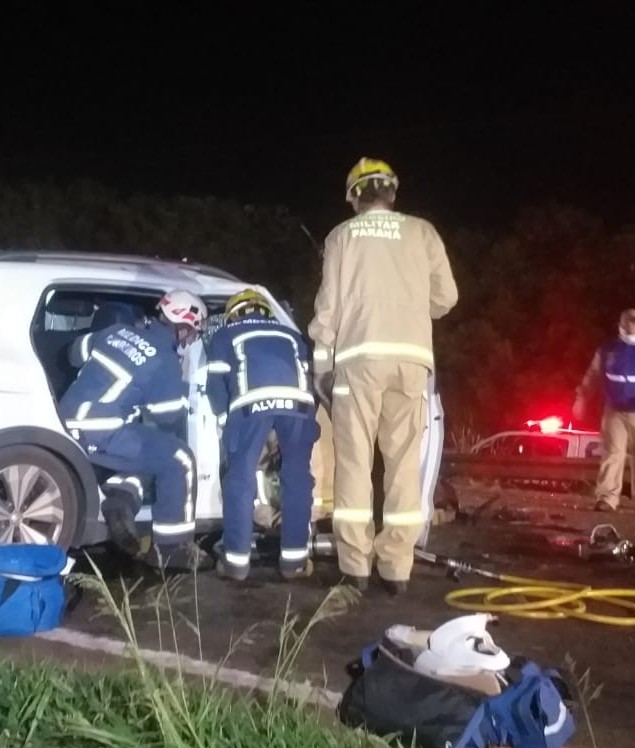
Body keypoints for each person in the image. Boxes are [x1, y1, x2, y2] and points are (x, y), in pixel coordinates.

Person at [308, 157, 458, 594]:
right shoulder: (422, 232)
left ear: (355, 196)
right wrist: (414, 311)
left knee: (353, 464)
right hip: (412, 361)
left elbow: (329, 306)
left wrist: (321, 360)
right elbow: (447, 296)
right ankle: (396, 569)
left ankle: (354, 567)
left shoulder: (342, 236)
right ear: (391, 193)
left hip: (358, 359)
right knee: (403, 466)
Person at [58, 289, 207, 571]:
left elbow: (74, 353)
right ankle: (172, 550)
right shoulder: (165, 361)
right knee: (179, 459)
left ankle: (121, 502)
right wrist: (180, 388)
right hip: (103, 432)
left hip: (66, 421)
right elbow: (167, 417)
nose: (190, 341)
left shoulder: (116, 331)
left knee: (149, 450)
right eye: (192, 334)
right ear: (183, 327)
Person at [207, 288, 318, 581]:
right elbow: (307, 376)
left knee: (240, 480)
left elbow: (215, 384)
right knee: (296, 479)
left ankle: (236, 564)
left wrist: (224, 420)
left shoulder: (225, 335)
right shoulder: (291, 335)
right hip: (298, 406)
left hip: (250, 405)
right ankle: (294, 562)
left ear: (234, 314)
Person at [572, 308, 635, 511]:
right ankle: (608, 498)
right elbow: (592, 376)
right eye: (629, 322)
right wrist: (581, 399)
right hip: (614, 410)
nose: (632, 326)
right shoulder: (608, 350)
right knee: (612, 452)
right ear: (621, 326)